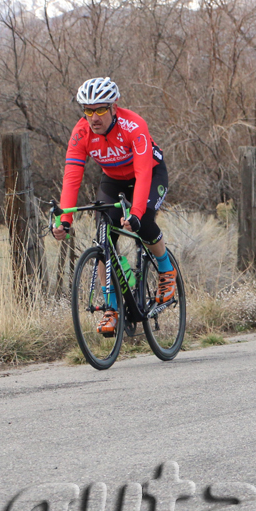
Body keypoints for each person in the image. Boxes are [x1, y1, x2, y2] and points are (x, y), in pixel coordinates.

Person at [53, 77, 176, 336]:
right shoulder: (81, 133)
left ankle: (166, 270)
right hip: (114, 179)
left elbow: (143, 174)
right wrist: (64, 219)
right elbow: (72, 177)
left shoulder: (134, 126)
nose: (94, 117)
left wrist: (137, 214)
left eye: (100, 109)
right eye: (88, 110)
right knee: (103, 238)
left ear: (113, 107)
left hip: (150, 175)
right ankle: (112, 306)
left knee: (145, 223)